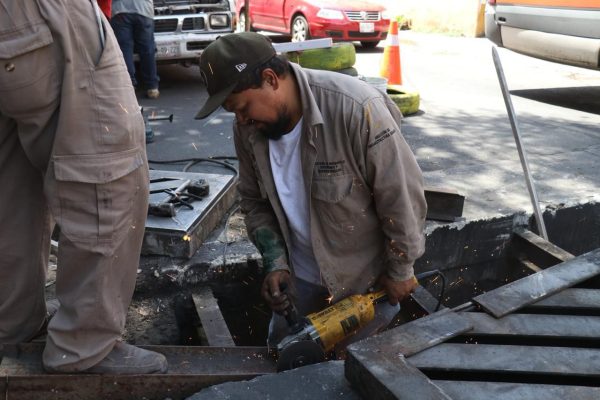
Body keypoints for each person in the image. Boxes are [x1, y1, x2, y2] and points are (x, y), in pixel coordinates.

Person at [195, 32, 427, 350]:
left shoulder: (355, 107)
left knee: (354, 368)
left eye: (244, 107)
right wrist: (276, 262)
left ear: (270, 79)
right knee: (285, 358)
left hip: (363, 284)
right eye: (234, 113)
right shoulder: (248, 128)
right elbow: (253, 201)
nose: (242, 119)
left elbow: (401, 194)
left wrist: (400, 268)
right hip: (300, 281)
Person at [0, 0, 167, 374]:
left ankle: (12, 324)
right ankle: (84, 346)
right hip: (39, 12)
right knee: (105, 168)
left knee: (11, 184)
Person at [111, 0, 160, 99]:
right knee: (147, 49)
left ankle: (129, 85)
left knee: (125, 49)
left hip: (120, 10)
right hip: (144, 9)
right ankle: (152, 87)